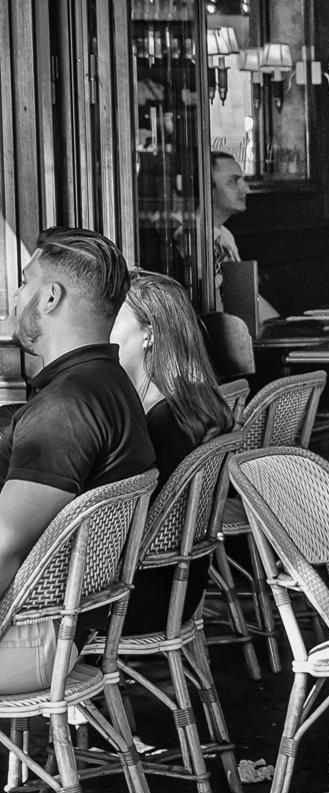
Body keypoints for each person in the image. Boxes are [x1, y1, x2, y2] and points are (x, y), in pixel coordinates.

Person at [0, 227, 154, 692]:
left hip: (30, 641)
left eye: (24, 282)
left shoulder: (66, 408)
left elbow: (4, 544)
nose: (15, 293)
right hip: (67, 627)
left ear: (49, 298)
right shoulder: (104, 382)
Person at [109, 269, 235, 634]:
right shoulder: (190, 401)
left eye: (112, 321)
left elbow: (121, 527)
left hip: (133, 599)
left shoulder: (166, 421)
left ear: (149, 333)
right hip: (177, 589)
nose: (99, 333)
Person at [211, 150, 279, 322]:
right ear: (205, 187)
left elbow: (244, 298)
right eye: (234, 181)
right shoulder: (191, 238)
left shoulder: (225, 235)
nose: (246, 188)